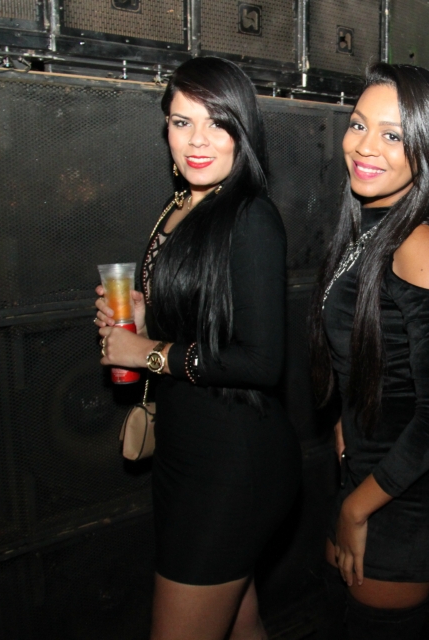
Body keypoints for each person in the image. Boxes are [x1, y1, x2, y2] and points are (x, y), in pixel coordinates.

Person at [94, 57, 301, 640]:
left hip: (233, 464)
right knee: (241, 625)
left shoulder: (250, 216)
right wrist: (146, 313)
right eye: (182, 122)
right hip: (185, 453)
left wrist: (144, 351)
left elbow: (260, 361)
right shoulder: (180, 205)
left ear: (243, 130)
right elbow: (205, 315)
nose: (198, 140)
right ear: (165, 127)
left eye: (217, 123)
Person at [308, 63, 429, 639]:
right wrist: (346, 415)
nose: (365, 146)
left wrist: (358, 507)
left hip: (405, 493)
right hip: (368, 470)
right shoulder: (372, 227)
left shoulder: (419, 243)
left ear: (427, 149)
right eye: (359, 125)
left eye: (393, 135)